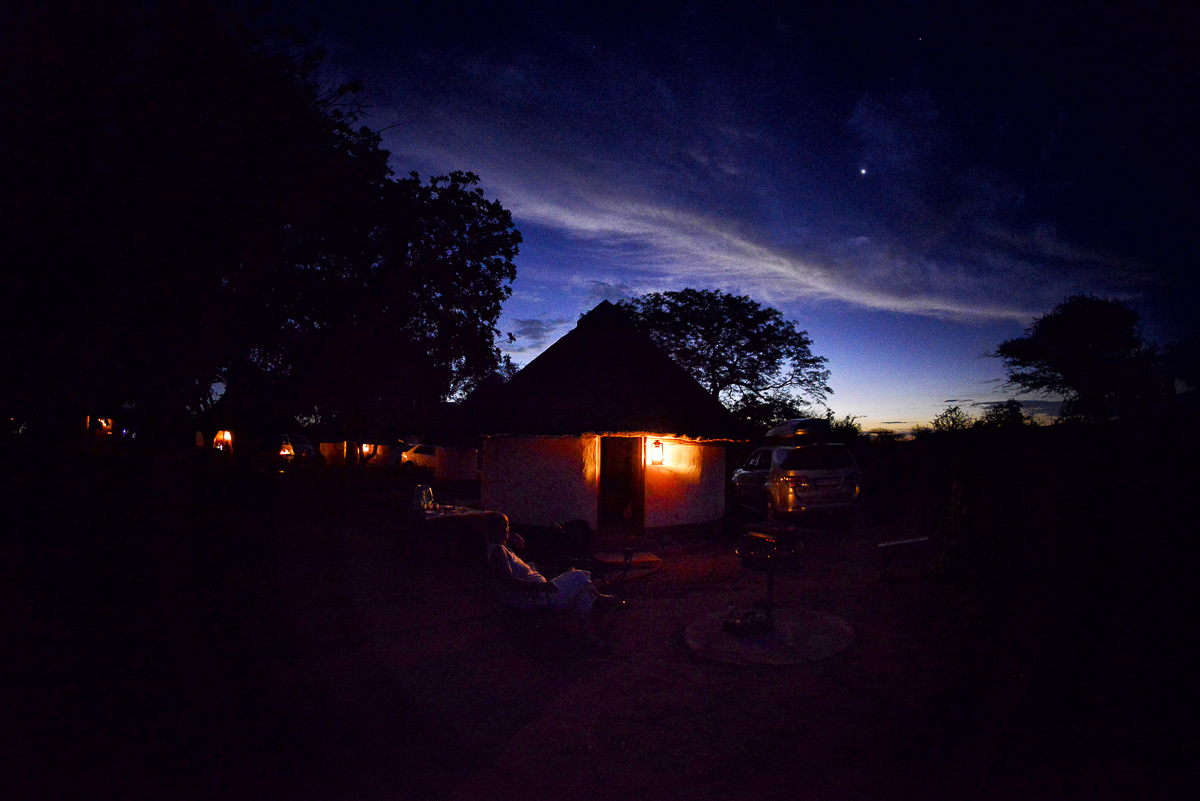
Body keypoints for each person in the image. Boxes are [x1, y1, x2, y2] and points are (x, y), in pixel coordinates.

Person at [484, 512, 622, 618]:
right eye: (500, 527)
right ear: (491, 529)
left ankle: (589, 632)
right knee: (579, 575)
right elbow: (508, 582)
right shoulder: (498, 552)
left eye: (506, 526)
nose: (505, 530)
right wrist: (541, 586)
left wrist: (511, 536)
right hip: (536, 597)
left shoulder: (501, 548)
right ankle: (600, 598)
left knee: (582, 593)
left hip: (540, 593)